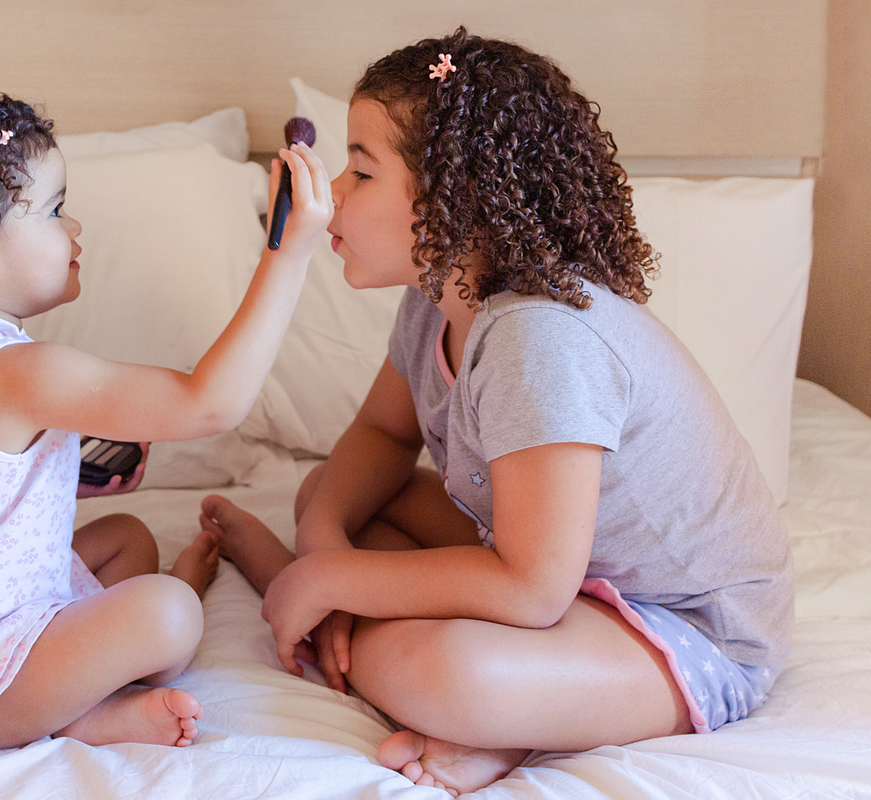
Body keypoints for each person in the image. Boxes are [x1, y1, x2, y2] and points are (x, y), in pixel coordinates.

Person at [200, 29, 794, 795]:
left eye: (361, 170)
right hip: (556, 567)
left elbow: (532, 587)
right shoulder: (435, 301)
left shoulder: (537, 336)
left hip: (681, 625)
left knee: (440, 672)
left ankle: (487, 712)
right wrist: (325, 554)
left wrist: (332, 579)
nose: (336, 194)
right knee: (329, 497)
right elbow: (384, 435)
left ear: (455, 200)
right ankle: (338, 609)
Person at [0, 88, 332, 754]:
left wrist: (82, 474)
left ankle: (72, 697)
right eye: (55, 211)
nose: (75, 229)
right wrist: (287, 257)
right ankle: (74, 715)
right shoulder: (19, 373)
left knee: (124, 539)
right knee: (169, 614)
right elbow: (210, 403)